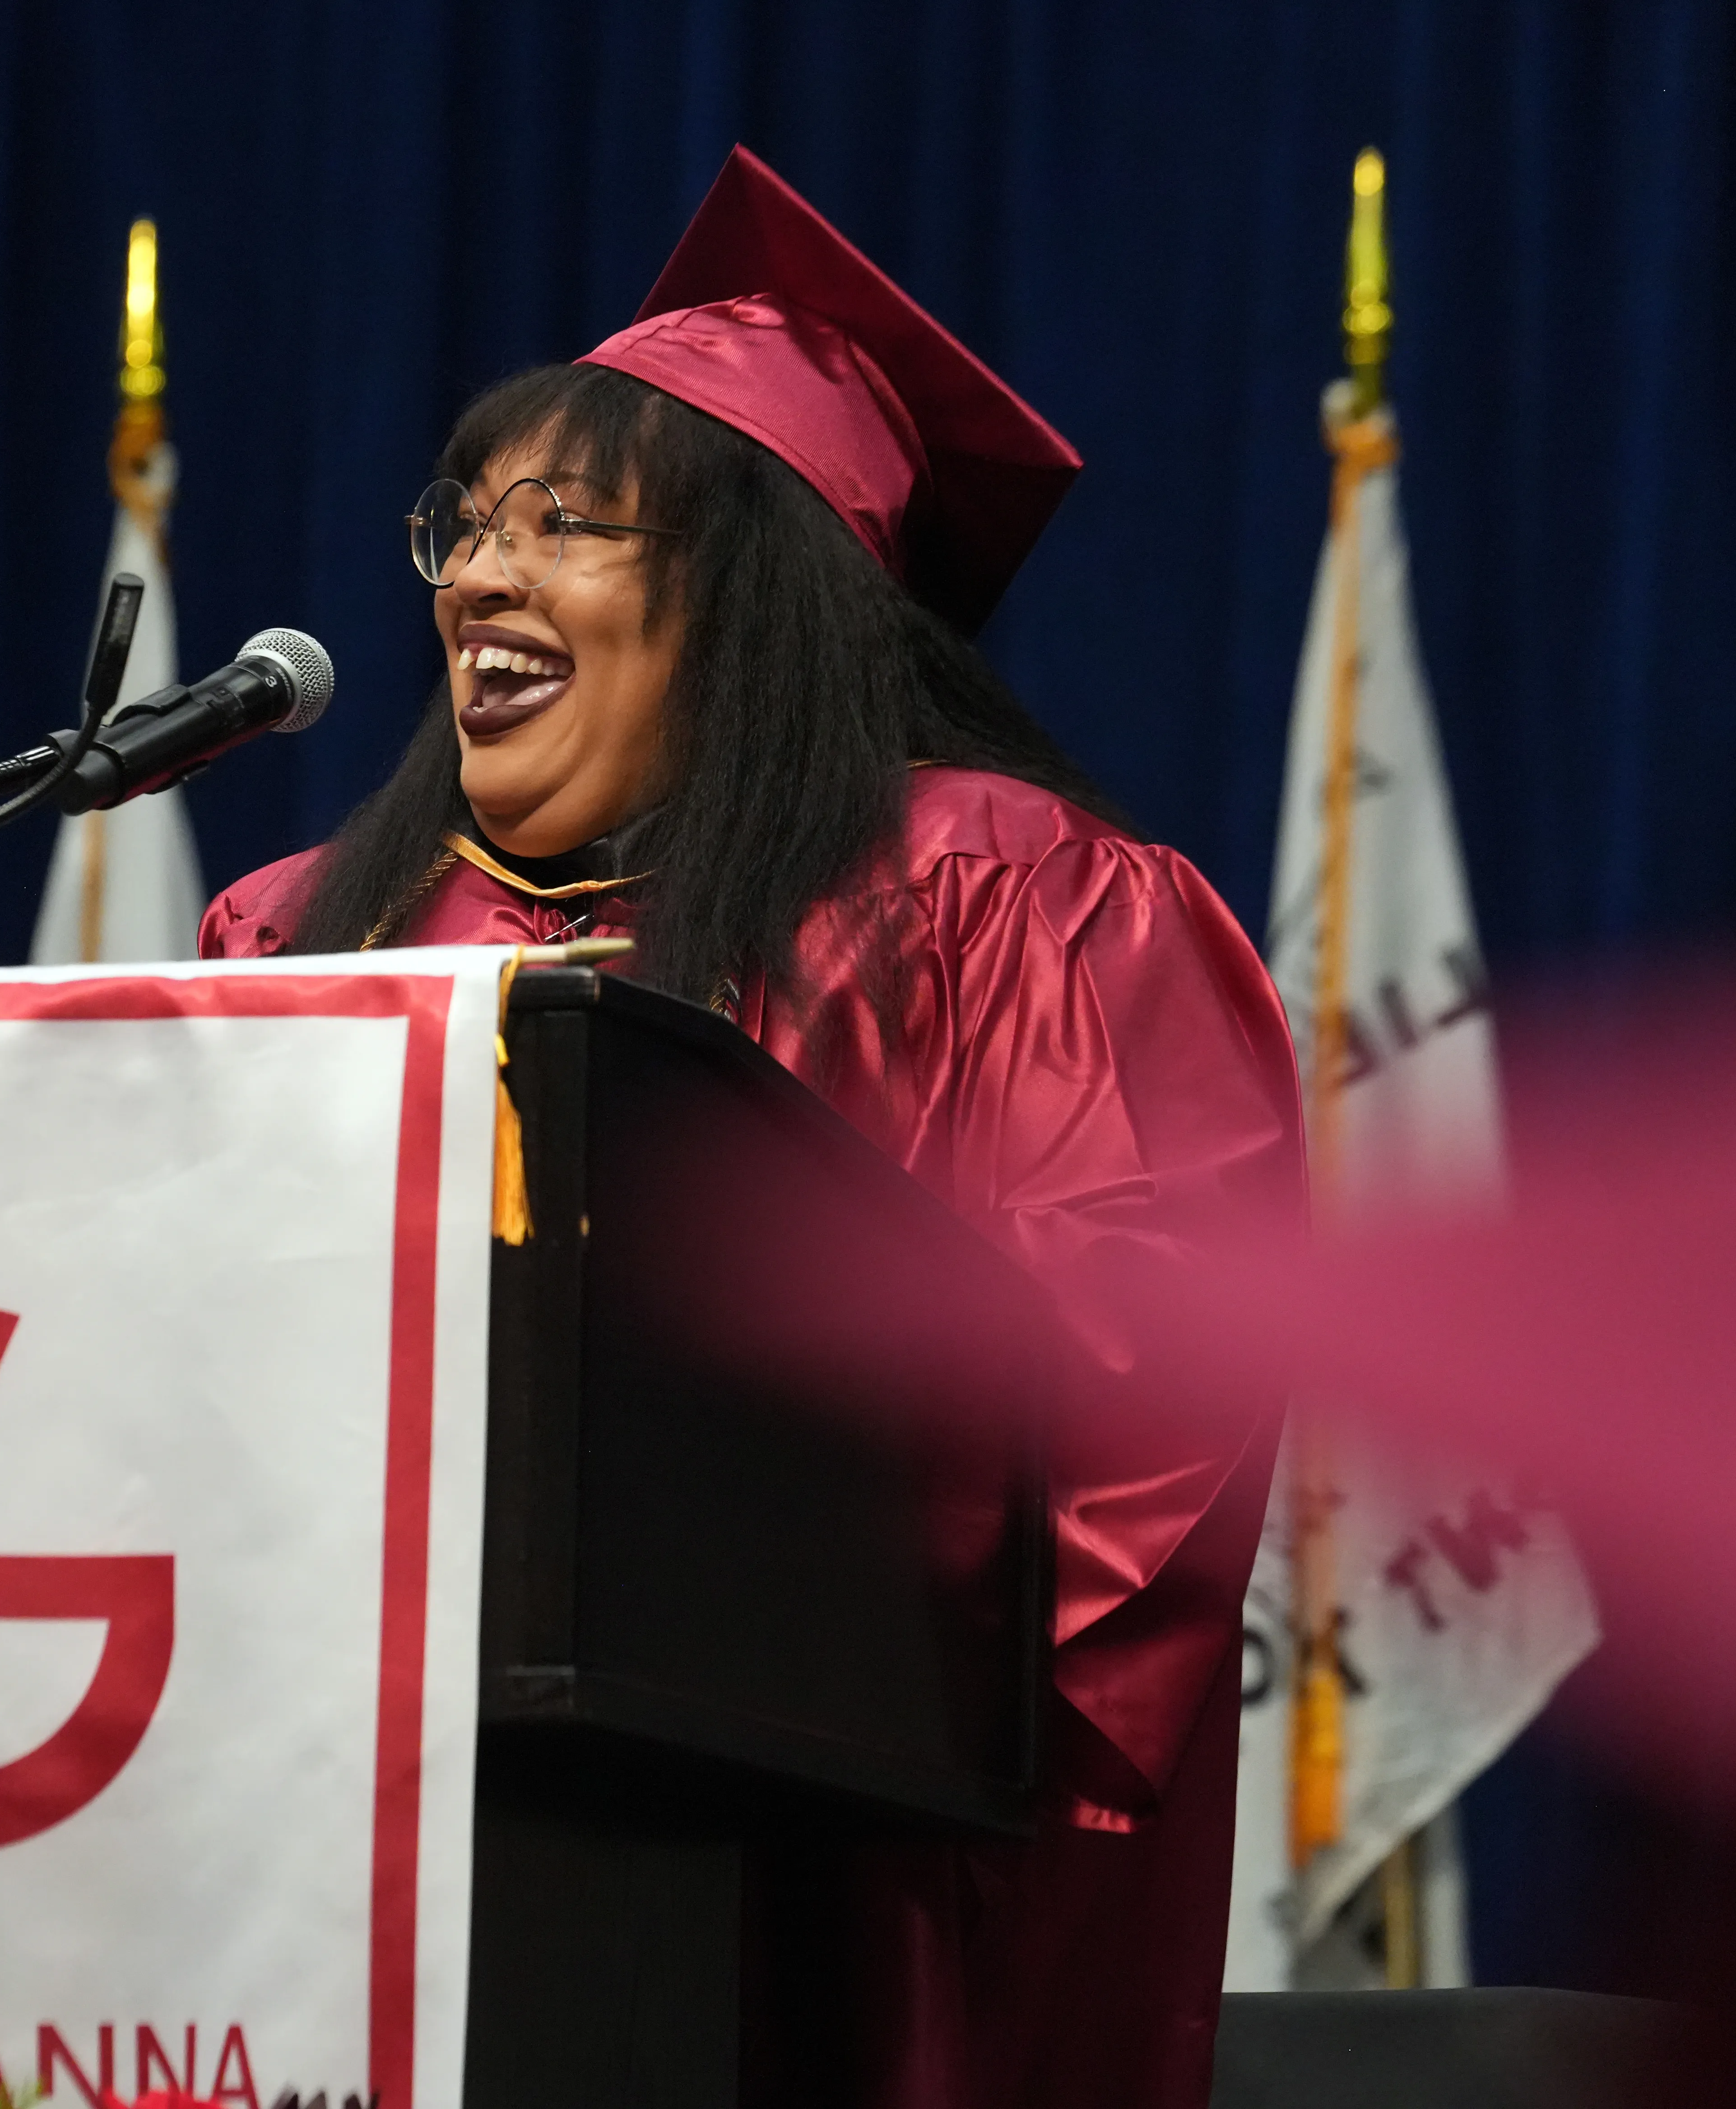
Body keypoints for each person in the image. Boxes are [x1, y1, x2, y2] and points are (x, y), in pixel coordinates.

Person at [203, 147, 1304, 2109]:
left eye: (566, 525)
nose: (476, 577)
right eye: (465, 524)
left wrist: (768, 1640)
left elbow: (1144, 1410)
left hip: (838, 1892)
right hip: (347, 1846)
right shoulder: (305, 936)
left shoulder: (1015, 905)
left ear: (754, 597)